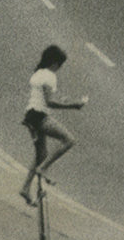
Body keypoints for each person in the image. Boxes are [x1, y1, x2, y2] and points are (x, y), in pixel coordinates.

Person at [18, 45, 87, 206]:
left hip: (30, 116)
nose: (59, 68)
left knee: (40, 155)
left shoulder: (38, 73)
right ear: (55, 63)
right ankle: (43, 169)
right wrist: (73, 105)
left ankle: (26, 188)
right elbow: (49, 102)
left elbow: (42, 97)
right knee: (69, 140)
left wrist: (62, 101)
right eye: (60, 65)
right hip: (39, 116)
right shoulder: (49, 76)